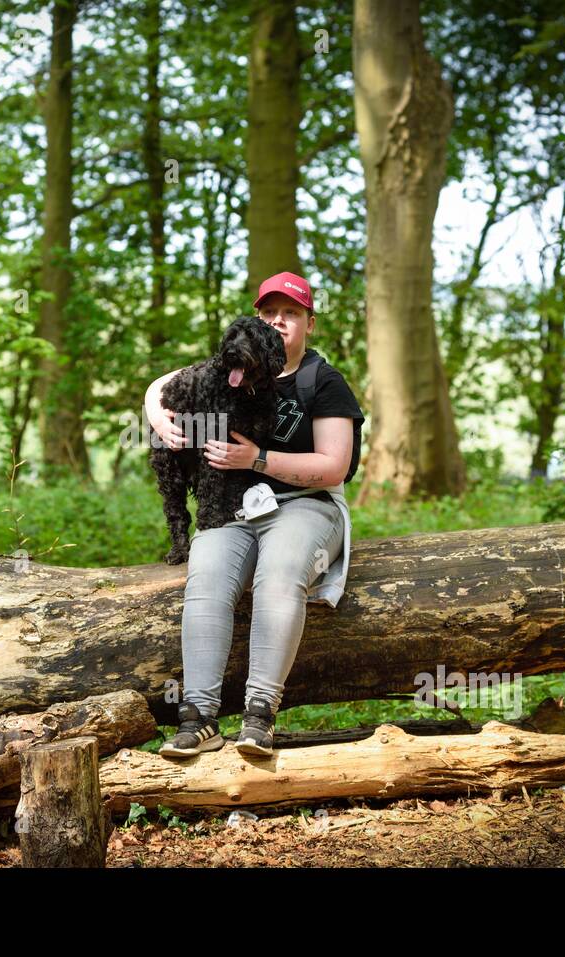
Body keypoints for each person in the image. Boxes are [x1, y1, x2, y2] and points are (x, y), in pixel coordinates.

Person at [142, 271, 364, 758]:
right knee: (206, 578)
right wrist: (154, 412)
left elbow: (334, 468)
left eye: (291, 314)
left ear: (309, 322)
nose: (279, 322)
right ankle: (199, 717)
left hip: (307, 505)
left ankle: (259, 714)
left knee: (280, 576)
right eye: (270, 313)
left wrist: (257, 459)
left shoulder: (322, 382)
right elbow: (169, 382)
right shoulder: (234, 368)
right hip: (238, 507)